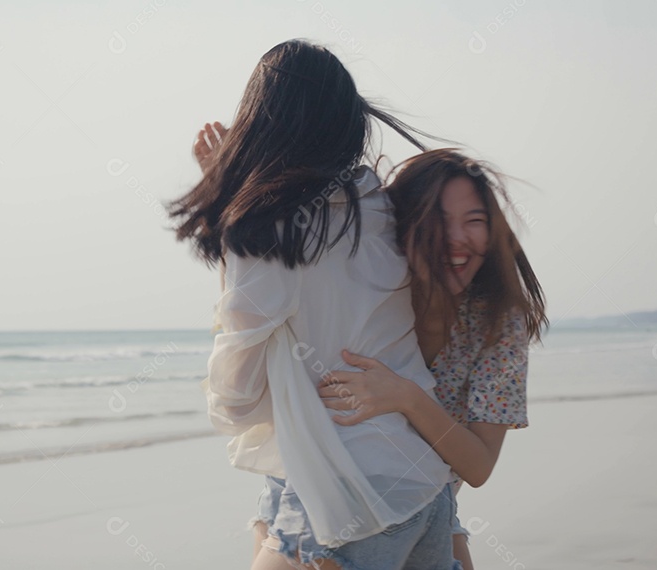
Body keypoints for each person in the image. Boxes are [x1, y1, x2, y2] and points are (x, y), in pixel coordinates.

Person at [171, 40, 460, 569]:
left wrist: (230, 202)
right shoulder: (384, 206)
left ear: (262, 121)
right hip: (424, 484)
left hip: (345, 498)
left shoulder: (268, 231)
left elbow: (236, 399)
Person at [314, 149, 548, 569]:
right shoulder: (370, 293)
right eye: (438, 221)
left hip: (433, 501)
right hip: (331, 497)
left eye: (475, 221)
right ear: (404, 225)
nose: (457, 238)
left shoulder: (498, 322)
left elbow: (478, 465)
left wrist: (407, 397)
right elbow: (259, 309)